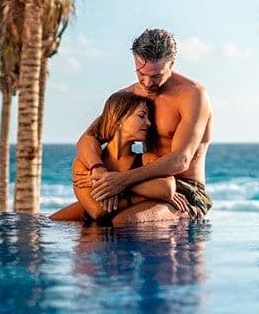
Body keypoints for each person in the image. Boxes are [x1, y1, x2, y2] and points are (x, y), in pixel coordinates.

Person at [74, 28, 214, 223]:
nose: (147, 83)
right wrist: (99, 170)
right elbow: (87, 139)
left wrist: (122, 180)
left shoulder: (192, 95)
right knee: (68, 218)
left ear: (171, 64)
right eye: (141, 73)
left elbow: (180, 160)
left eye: (156, 76)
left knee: (123, 222)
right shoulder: (130, 97)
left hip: (184, 190)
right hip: (143, 183)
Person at [50, 90, 187, 225]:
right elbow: (97, 211)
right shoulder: (83, 163)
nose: (148, 123)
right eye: (141, 116)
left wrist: (118, 182)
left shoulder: (146, 159)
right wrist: (148, 193)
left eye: (148, 118)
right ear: (119, 119)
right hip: (92, 240)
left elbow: (167, 189)